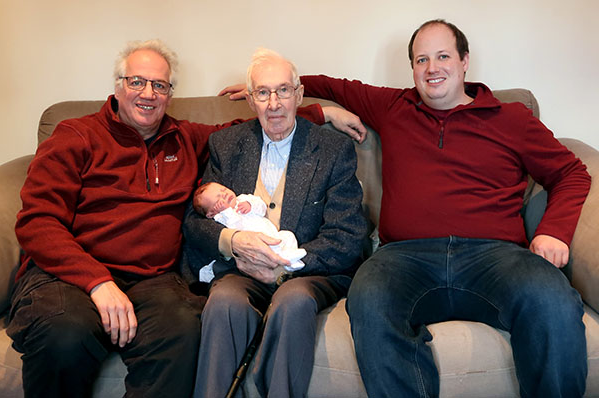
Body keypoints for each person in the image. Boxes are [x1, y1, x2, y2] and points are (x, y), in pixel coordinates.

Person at [220, 20, 592, 397]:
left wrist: (554, 231)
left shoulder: (511, 118)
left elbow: (572, 173)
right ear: (412, 68)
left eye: (443, 56)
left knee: (553, 299)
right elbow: (336, 87)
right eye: (421, 59)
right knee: (370, 296)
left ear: (465, 61)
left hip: (495, 257)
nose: (432, 68)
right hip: (405, 259)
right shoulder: (395, 106)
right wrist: (280, 92)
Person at [6, 39, 333, 398]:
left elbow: (255, 125)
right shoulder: (75, 135)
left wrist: (322, 114)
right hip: (69, 277)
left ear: (169, 93)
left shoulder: (184, 138)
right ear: (118, 86)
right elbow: (38, 222)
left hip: (153, 281)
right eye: (137, 82)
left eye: (159, 85)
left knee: (183, 331)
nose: (148, 93)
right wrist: (98, 283)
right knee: (65, 333)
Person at [183, 48, 367, 398]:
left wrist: (283, 267)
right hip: (242, 271)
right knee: (224, 302)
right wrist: (233, 241)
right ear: (251, 101)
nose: (274, 103)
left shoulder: (332, 149)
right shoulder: (226, 144)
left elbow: (346, 236)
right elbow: (196, 222)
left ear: (298, 94)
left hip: (309, 274)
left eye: (283, 91)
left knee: (293, 301)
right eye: (263, 93)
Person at [192, 181, 307, 282]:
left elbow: (262, 209)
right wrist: (227, 211)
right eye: (219, 199)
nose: (225, 194)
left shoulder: (243, 198)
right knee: (268, 254)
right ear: (211, 213)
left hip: (273, 236)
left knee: (288, 235)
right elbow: (235, 229)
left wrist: (251, 205)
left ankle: (290, 259)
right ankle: (287, 260)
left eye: (224, 189)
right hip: (256, 247)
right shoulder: (221, 218)